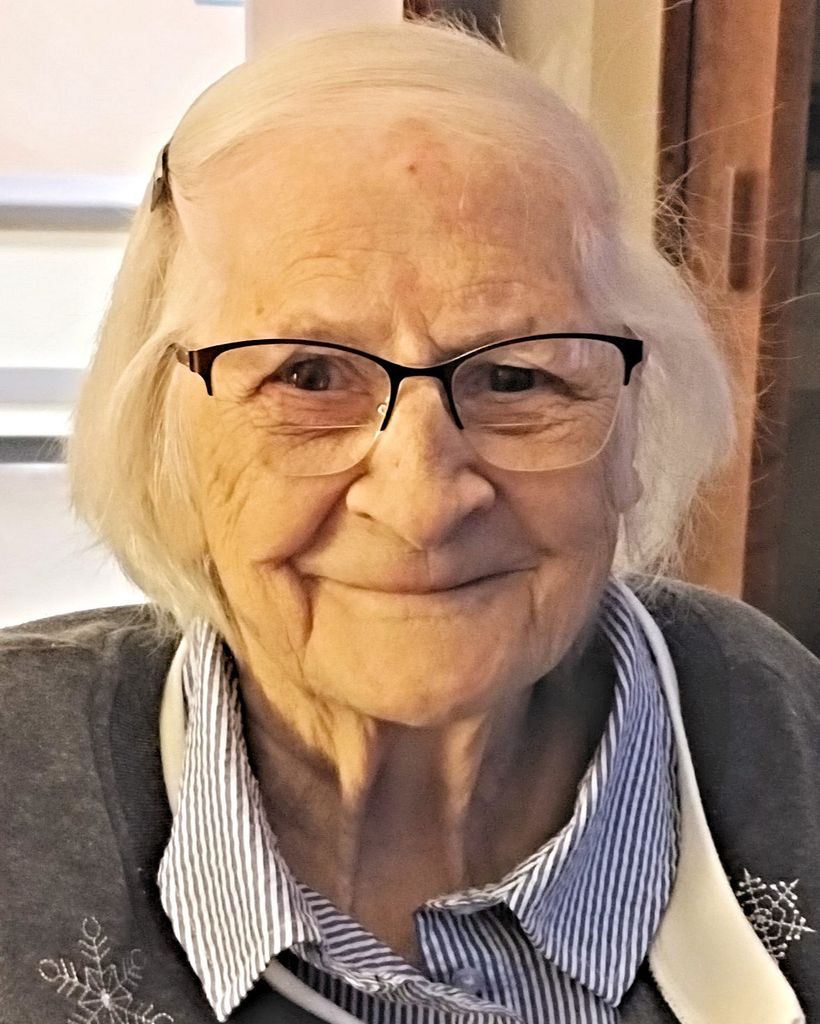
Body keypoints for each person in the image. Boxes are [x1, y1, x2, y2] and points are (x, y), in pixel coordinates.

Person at [2, 17, 818, 1024]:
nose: (423, 504)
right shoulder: (21, 768)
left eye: (516, 377)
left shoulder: (774, 732)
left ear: (629, 429)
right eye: (307, 376)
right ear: (163, 433)